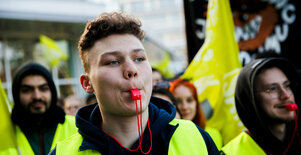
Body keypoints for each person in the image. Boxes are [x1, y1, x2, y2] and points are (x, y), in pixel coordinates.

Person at [49, 12, 219, 154]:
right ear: (87, 83)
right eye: (113, 62)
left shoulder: (196, 138)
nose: (131, 69)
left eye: (139, 58)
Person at [221, 58, 301, 154]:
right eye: (272, 89)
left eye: (287, 86)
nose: (286, 95)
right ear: (250, 100)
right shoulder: (231, 152)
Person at [8, 62, 77, 155]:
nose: (37, 96)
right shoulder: (4, 134)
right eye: (27, 90)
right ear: (16, 95)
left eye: (43, 88)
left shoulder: (78, 127)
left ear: (52, 91)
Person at [169, 78, 223, 149]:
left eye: (189, 100)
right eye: (178, 101)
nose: (185, 107)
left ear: (196, 103)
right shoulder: (167, 137)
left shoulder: (213, 134)